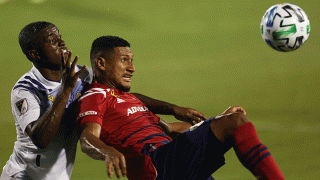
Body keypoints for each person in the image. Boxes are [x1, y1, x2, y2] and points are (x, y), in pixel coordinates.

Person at [1, 22, 206, 180]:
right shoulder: (25, 90)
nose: (62, 43)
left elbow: (119, 96)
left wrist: (173, 108)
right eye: (52, 40)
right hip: (24, 175)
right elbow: (41, 139)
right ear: (34, 54)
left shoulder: (81, 75)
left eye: (60, 37)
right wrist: (66, 89)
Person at [77, 35, 285, 180]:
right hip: (158, 164)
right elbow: (87, 138)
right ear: (101, 64)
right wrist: (108, 152)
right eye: (124, 60)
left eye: (132, 61)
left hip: (171, 163)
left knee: (232, 122)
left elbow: (174, 130)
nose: (132, 68)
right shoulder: (97, 95)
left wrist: (217, 121)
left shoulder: (128, 100)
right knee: (237, 123)